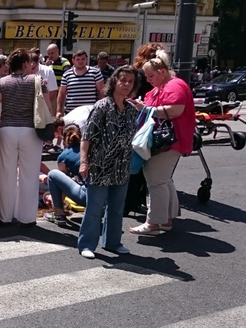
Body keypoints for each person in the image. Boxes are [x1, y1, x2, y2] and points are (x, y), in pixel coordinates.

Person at [128, 52, 195, 235]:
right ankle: (166, 219)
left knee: (156, 181)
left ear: (163, 71)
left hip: (167, 141)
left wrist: (146, 109)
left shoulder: (175, 85)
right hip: (167, 141)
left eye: (151, 75)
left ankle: (154, 223)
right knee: (163, 180)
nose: (148, 80)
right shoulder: (165, 86)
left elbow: (175, 110)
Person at [78, 65, 141, 259]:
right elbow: (86, 137)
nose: (126, 84)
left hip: (122, 166)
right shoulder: (102, 106)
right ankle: (87, 244)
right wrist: (83, 162)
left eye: (130, 81)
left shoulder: (131, 109)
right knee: (95, 208)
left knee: (116, 208)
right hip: (100, 165)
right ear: (114, 81)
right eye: (123, 80)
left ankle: (113, 242)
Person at [0, 48, 49, 226]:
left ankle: (5, 216)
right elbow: (46, 107)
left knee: (6, 174)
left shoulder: (3, 82)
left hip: (7, 130)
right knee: (29, 175)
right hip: (31, 131)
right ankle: (27, 217)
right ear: (25, 64)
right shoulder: (37, 81)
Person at [46, 124, 85, 224]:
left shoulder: (64, 156)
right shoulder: (89, 149)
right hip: (103, 196)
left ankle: (58, 214)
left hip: (85, 196)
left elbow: (62, 183)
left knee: (53, 174)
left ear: (64, 139)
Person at [57, 50, 105, 118]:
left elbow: (101, 91)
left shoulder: (95, 72)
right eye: (78, 59)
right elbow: (61, 93)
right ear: (73, 60)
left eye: (83, 59)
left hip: (90, 113)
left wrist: (99, 108)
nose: (80, 61)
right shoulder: (67, 75)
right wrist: (58, 111)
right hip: (71, 113)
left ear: (86, 59)